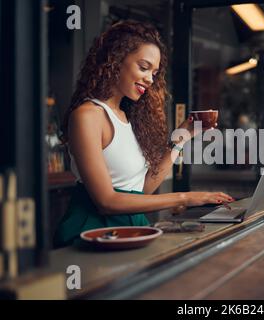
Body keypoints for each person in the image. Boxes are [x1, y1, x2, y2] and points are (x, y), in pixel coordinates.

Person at [53, 20, 234, 248]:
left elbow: (142, 189)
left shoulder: (128, 118)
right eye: (144, 67)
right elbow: (106, 201)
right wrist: (186, 197)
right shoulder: (88, 115)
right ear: (115, 60)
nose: (150, 79)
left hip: (131, 229)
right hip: (93, 231)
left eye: (154, 72)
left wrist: (183, 136)